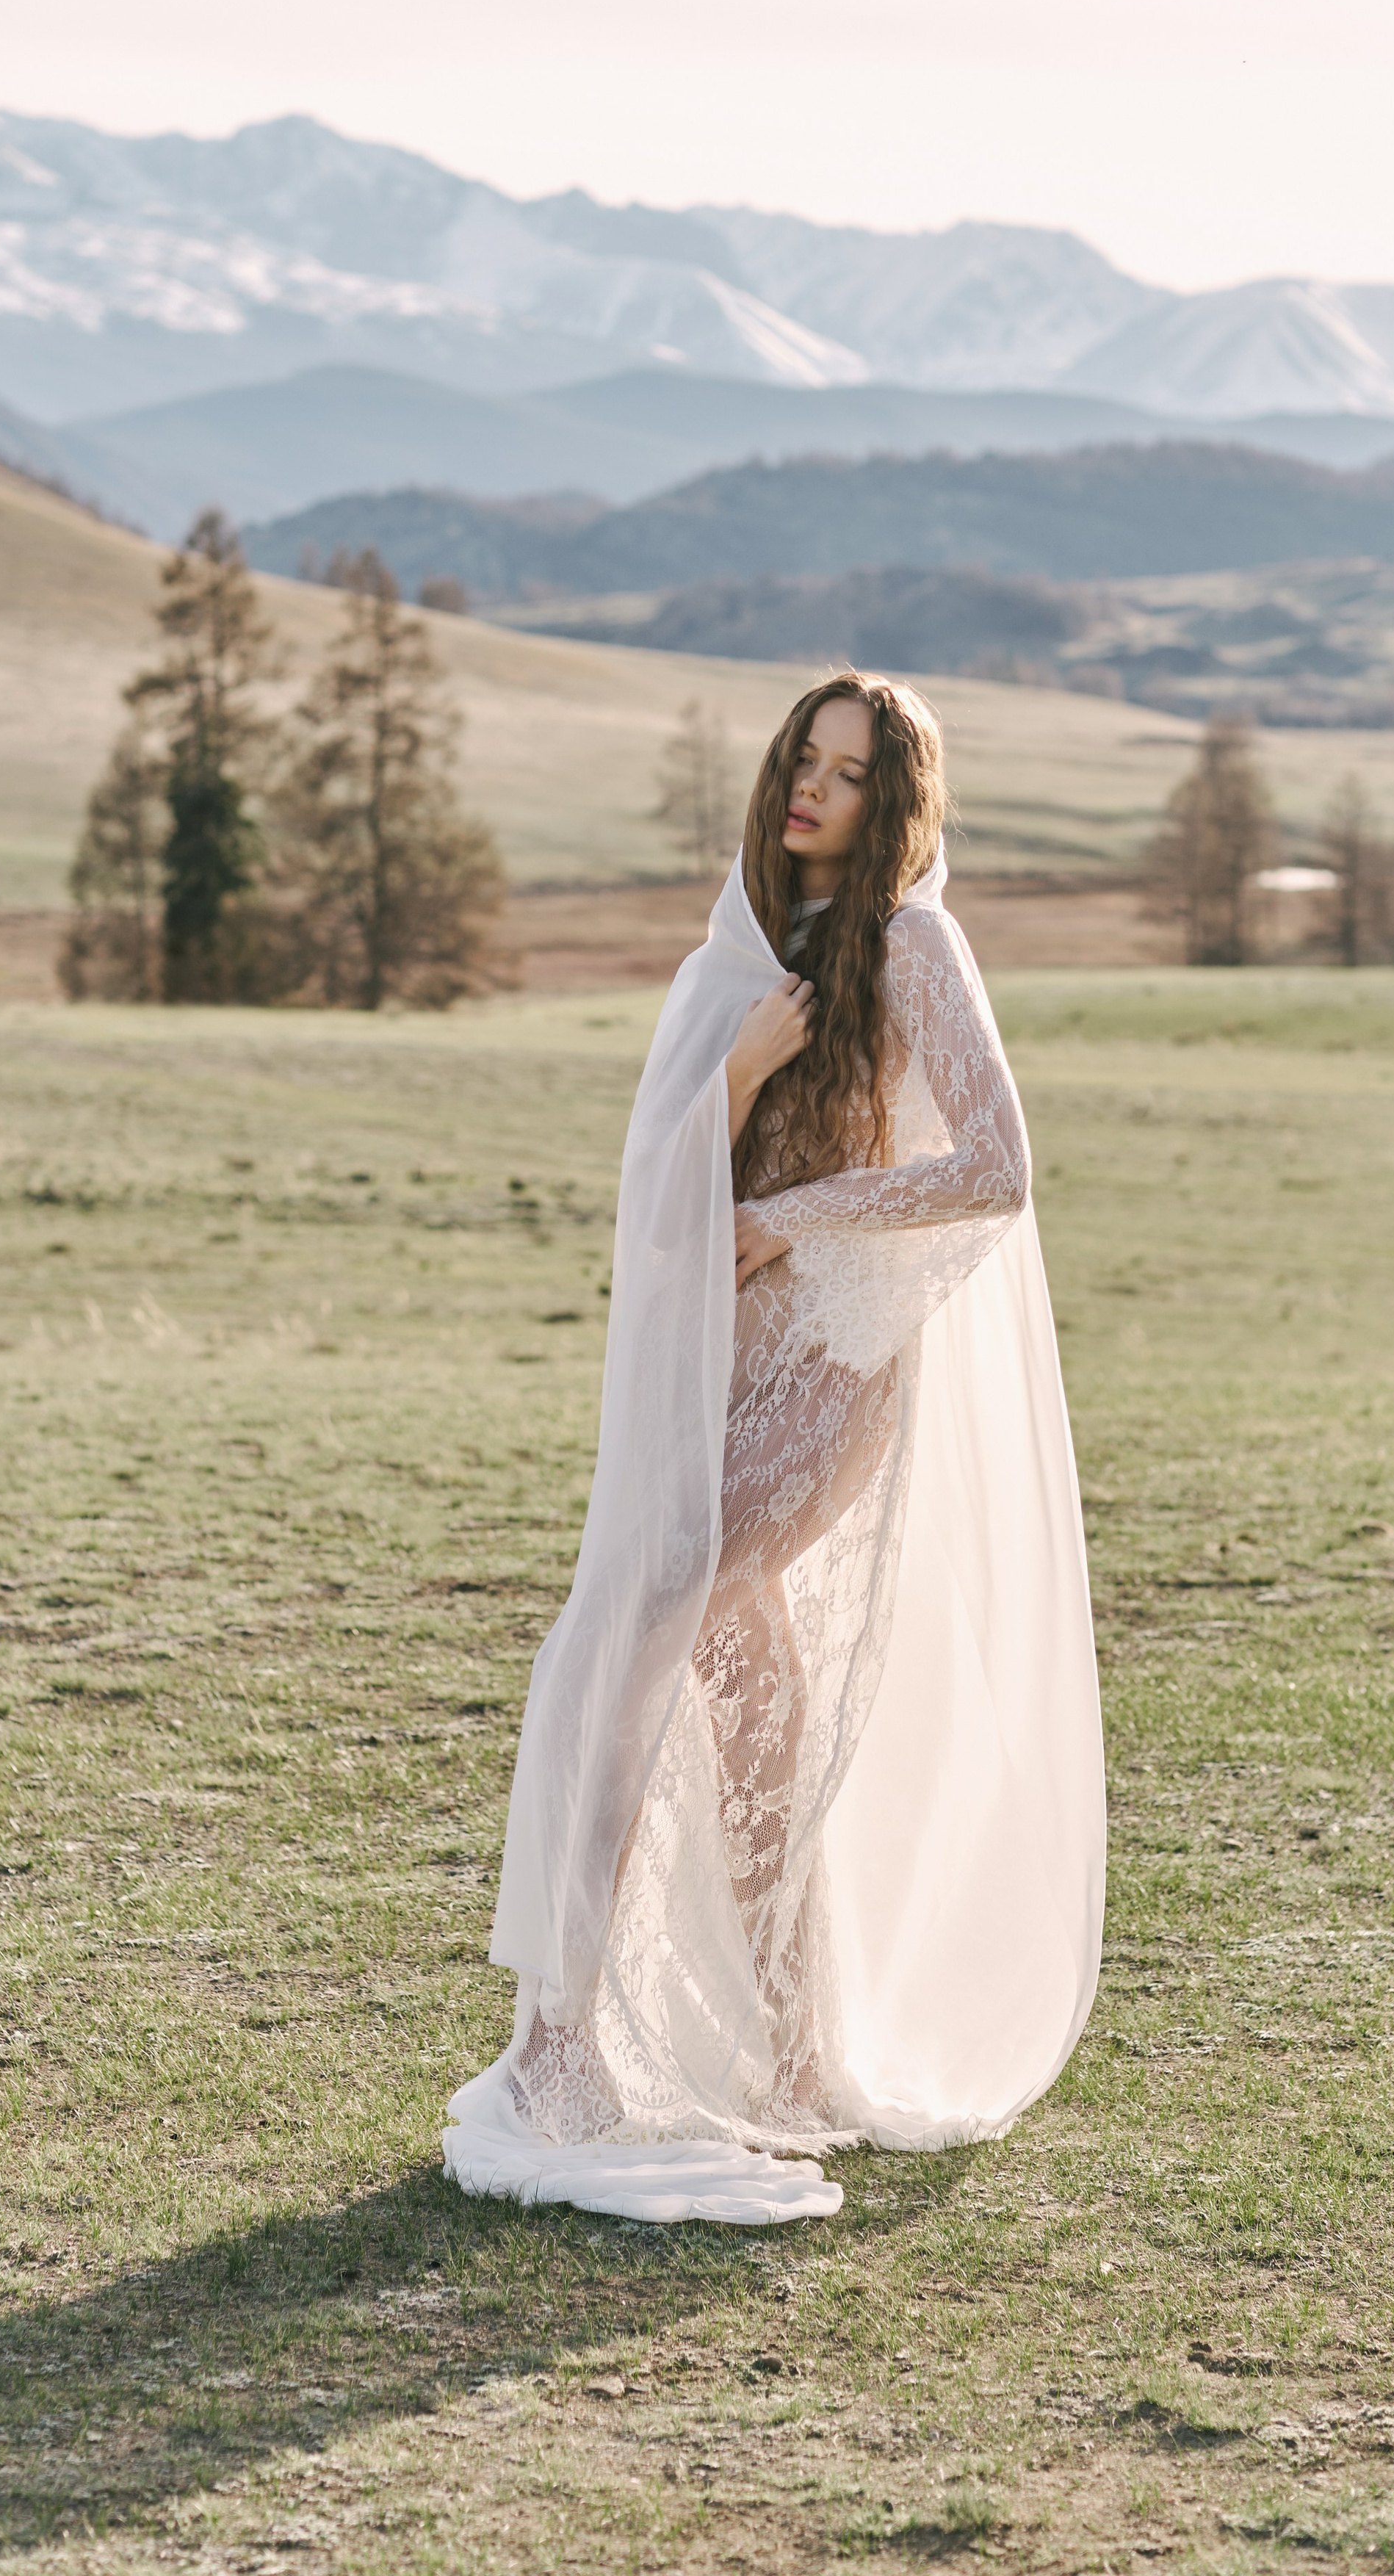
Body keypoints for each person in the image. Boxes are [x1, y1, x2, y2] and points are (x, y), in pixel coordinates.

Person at [445, 673, 1104, 2224]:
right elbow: (665, 1161)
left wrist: (784, 1224)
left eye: (850, 774)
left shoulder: (909, 943)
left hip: (830, 1366)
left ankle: (561, 2043)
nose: (812, 791)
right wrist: (737, 1075)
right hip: (723, 1362)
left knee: (638, 1629)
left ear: (896, 803)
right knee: (735, 1661)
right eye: (801, 760)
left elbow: (995, 1168)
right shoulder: (746, 945)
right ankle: (787, 2043)